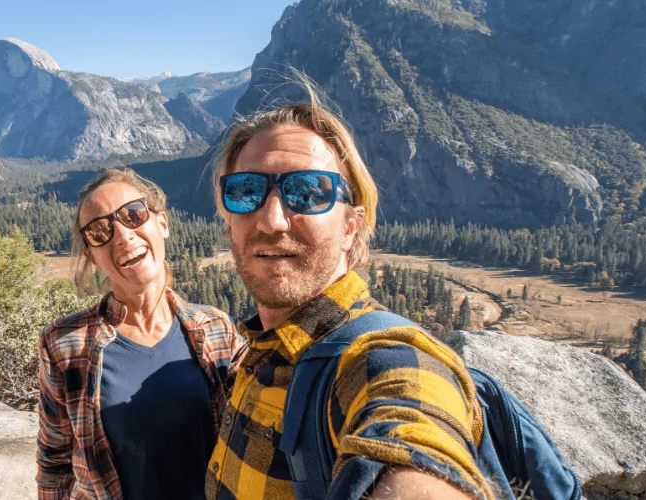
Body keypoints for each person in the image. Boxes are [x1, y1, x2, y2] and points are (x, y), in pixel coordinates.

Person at [205, 84, 495, 500]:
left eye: (308, 192)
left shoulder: (378, 359)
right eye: (246, 191)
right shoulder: (258, 349)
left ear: (350, 226)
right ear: (228, 220)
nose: (271, 221)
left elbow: (411, 416)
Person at [37, 168, 244, 500]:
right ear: (93, 257)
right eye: (100, 231)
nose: (121, 235)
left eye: (132, 214)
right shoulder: (65, 344)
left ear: (162, 223)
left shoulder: (216, 329)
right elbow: (55, 463)